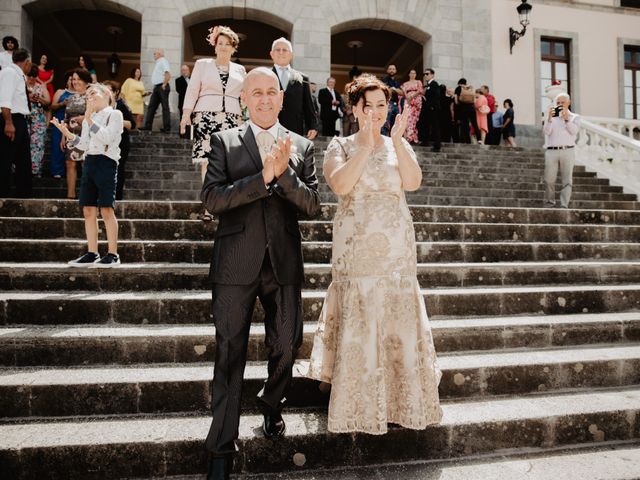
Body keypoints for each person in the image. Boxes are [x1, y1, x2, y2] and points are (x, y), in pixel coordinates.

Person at [201, 67, 320, 480]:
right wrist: (263, 177)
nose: (266, 98)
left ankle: (271, 403)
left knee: (287, 345)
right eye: (258, 93)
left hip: (284, 263)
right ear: (245, 99)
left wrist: (284, 175)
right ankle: (220, 449)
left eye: (273, 92)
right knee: (228, 356)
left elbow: (312, 206)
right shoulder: (224, 141)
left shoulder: (302, 146)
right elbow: (213, 199)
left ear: (282, 99)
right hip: (235, 263)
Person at [306, 73, 442, 434]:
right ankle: (353, 392)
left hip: (396, 246)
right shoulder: (341, 145)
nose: (377, 112)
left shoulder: (399, 143)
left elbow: (412, 182)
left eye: (383, 105)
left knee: (396, 308)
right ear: (355, 108)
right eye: (370, 106)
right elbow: (340, 185)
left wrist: (396, 143)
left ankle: (400, 397)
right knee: (361, 307)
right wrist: (366, 144)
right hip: (357, 245)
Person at [52, 83, 123, 267]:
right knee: (88, 209)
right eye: (87, 95)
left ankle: (113, 254)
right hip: (90, 162)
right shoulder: (88, 119)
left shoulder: (114, 114)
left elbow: (107, 137)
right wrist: (68, 134)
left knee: (107, 208)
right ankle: (92, 252)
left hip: (106, 163)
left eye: (93, 93)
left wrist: (89, 119)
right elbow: (83, 145)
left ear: (106, 94)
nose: (89, 98)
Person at [180, 25, 246, 222]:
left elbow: (244, 97)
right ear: (214, 46)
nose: (223, 47)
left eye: (228, 44)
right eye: (220, 43)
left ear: (233, 48)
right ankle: (209, 207)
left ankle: (226, 204)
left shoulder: (240, 70)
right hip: (206, 116)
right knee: (207, 161)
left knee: (229, 162)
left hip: (233, 118)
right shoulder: (202, 65)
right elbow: (192, 90)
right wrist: (186, 115)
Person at [270, 37, 317, 139]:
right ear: (272, 54)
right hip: (269, 127)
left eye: (285, 50)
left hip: (295, 128)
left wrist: (312, 126)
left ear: (291, 55)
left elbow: (308, 104)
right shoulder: (265, 76)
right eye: (277, 50)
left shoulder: (303, 78)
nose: (281, 52)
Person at [0, 48, 32, 198]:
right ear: (27, 62)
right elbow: (4, 100)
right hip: (11, 119)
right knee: (6, 157)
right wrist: (8, 123)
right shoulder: (9, 73)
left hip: (20, 120)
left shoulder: (19, 75)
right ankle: (3, 193)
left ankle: (23, 193)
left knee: (23, 159)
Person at [543, 93, 580, 208]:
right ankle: (550, 202)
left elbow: (574, 131)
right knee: (548, 179)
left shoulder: (575, 117)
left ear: (568, 103)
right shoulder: (552, 117)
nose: (559, 105)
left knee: (567, 180)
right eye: (558, 103)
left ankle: (564, 204)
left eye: (562, 102)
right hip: (551, 151)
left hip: (568, 151)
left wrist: (566, 120)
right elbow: (546, 132)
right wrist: (549, 119)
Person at [103, 80, 135, 201]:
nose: (106, 93)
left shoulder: (121, 105)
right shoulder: (100, 105)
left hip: (120, 143)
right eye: (104, 91)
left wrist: (116, 120)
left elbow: (132, 124)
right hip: (104, 141)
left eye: (109, 90)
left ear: (116, 93)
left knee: (118, 168)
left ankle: (117, 197)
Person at [26, 64, 50, 177]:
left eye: (33, 76)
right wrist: (28, 98)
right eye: (29, 75)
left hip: (38, 121)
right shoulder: (21, 85)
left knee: (38, 146)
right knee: (23, 145)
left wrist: (38, 98)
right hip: (25, 119)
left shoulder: (41, 87)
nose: (31, 78)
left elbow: (48, 101)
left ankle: (35, 171)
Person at [50, 71, 74, 179]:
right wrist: (62, 103)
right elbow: (52, 106)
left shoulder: (80, 94)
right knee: (57, 145)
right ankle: (57, 171)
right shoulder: (60, 92)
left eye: (74, 79)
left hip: (74, 122)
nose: (72, 81)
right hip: (60, 120)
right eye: (71, 79)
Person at [141, 49, 171, 133]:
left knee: (165, 107)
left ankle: (167, 127)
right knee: (151, 106)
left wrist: (164, 84)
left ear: (160, 54)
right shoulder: (158, 62)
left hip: (162, 86)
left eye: (155, 54)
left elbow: (168, 74)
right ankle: (148, 126)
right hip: (157, 87)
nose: (154, 55)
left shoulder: (163, 61)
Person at [417, 68, 440, 151]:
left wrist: (431, 106)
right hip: (426, 109)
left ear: (432, 75)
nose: (425, 76)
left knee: (435, 126)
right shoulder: (427, 85)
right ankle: (425, 141)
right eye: (424, 74)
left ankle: (437, 146)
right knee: (424, 124)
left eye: (427, 74)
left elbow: (437, 96)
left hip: (432, 109)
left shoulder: (434, 84)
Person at [454, 78, 480, 144]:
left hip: (463, 109)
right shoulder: (470, 88)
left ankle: (468, 141)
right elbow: (474, 100)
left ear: (459, 83)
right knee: (475, 124)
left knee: (465, 126)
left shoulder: (458, 89)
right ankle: (479, 139)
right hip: (471, 109)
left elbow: (456, 101)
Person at [401, 69, 423, 144]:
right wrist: (408, 97)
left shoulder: (418, 82)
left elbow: (420, 90)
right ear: (409, 74)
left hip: (416, 100)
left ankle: (413, 138)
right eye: (411, 73)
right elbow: (404, 92)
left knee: (414, 119)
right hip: (408, 101)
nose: (413, 74)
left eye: (414, 73)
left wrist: (412, 96)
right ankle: (409, 137)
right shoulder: (405, 83)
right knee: (408, 118)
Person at [381, 64, 403, 136]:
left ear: (395, 71)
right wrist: (394, 89)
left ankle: (392, 142)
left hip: (396, 105)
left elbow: (402, 93)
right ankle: (384, 141)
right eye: (390, 69)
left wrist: (394, 89)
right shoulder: (384, 80)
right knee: (386, 124)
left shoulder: (397, 82)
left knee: (395, 124)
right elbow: (385, 90)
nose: (392, 70)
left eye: (393, 69)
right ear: (387, 70)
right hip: (388, 103)